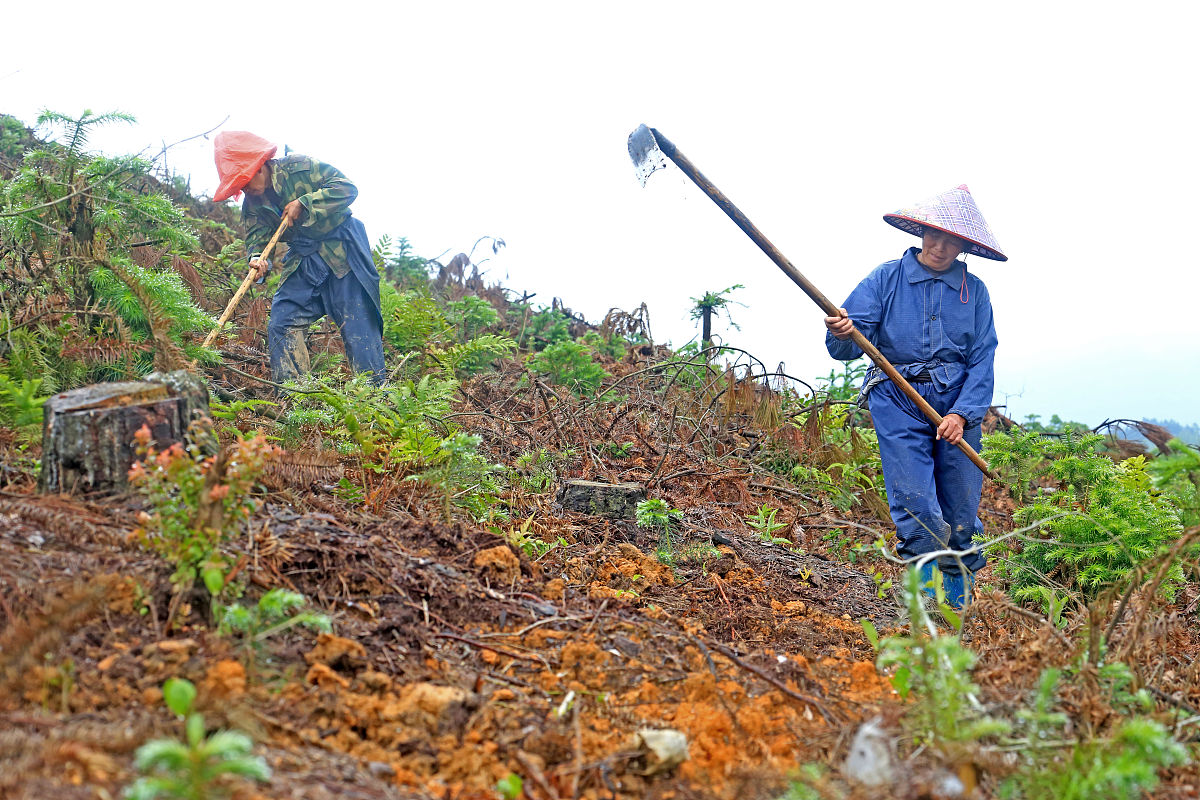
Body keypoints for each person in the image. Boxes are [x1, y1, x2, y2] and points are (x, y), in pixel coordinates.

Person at [823, 185, 1005, 609]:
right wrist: (845, 332)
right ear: (920, 233)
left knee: (960, 507)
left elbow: (983, 355)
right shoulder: (885, 278)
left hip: (956, 402)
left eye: (951, 240)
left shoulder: (974, 291)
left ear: (964, 246)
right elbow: (845, 348)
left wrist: (962, 413)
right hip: (896, 395)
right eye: (933, 235)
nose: (940, 246)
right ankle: (924, 605)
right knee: (916, 500)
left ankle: (958, 605)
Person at [212, 131, 386, 385]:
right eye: (239, 186)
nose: (245, 189)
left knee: (359, 326)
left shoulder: (300, 168)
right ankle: (296, 401)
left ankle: (374, 402)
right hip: (304, 259)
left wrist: (305, 203)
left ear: (260, 167)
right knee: (282, 323)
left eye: (245, 181)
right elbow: (256, 240)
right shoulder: (252, 204)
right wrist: (257, 260)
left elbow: (347, 189)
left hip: (343, 252)